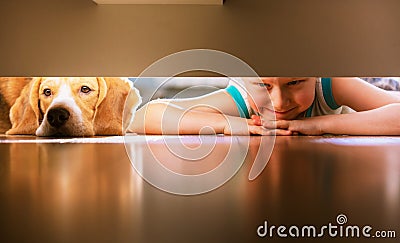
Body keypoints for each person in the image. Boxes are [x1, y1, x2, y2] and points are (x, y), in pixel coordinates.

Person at [130, 77, 400, 135]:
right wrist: (227, 123)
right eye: (264, 86)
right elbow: (143, 116)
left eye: (295, 83)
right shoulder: (244, 97)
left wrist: (316, 124)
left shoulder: (329, 84)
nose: (280, 102)